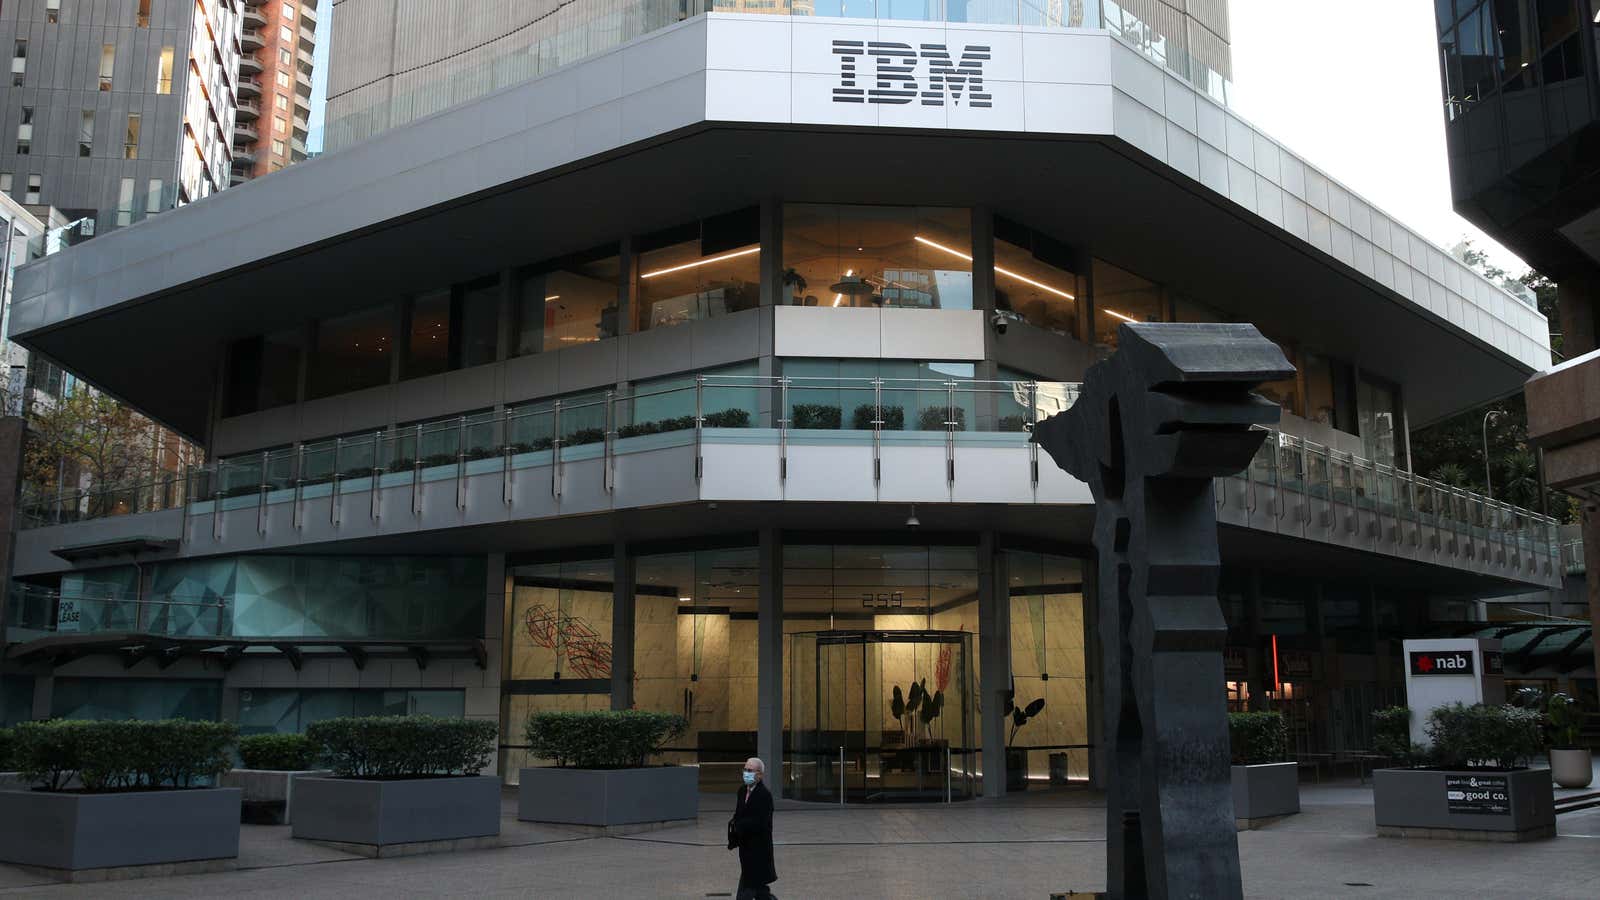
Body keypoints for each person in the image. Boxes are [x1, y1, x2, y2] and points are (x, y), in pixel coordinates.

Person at [728, 756, 777, 900]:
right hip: (745, 849)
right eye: (745, 769)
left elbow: (761, 823)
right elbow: (738, 813)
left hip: (759, 851)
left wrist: (741, 825)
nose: (746, 773)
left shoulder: (764, 795)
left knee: (745, 892)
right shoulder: (742, 791)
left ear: (759, 775)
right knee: (761, 892)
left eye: (750, 770)